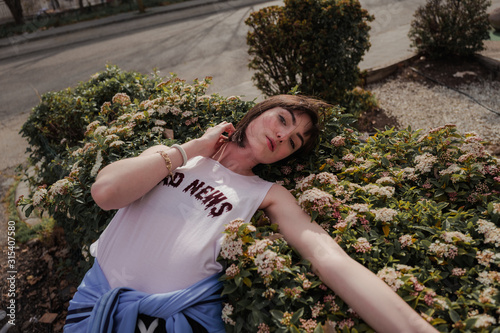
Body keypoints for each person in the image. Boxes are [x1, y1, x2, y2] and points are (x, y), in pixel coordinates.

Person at [64, 95, 438, 333]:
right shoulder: (172, 156)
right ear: (257, 113)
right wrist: (193, 148)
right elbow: (107, 192)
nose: (284, 136)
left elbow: (330, 260)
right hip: (94, 307)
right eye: (282, 119)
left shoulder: (268, 194)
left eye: (294, 142)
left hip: (165, 322)